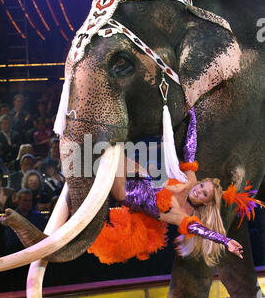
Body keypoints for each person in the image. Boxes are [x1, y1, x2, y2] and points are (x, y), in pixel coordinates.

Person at [89, 108, 259, 267]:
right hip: (139, 175)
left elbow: (200, 230)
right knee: (117, 150)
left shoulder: (182, 216)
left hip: (123, 194)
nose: (198, 189)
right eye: (201, 185)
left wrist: (225, 241)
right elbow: (189, 150)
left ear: (206, 203)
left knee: (112, 147)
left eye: (204, 193)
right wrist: (192, 116)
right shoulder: (190, 181)